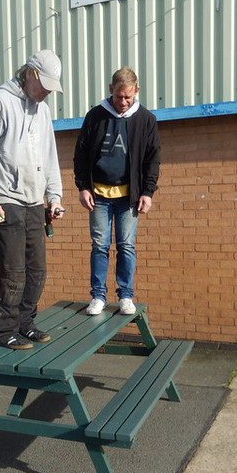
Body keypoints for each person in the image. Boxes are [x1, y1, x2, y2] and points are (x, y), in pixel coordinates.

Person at [0, 49, 65, 349]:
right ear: (30, 74)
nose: (47, 93)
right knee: (13, 272)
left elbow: (49, 156)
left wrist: (54, 196)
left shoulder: (43, 111)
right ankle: (5, 331)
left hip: (35, 201)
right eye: (44, 86)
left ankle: (25, 323)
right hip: (6, 199)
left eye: (52, 88)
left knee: (37, 270)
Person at [73, 67, 160, 316]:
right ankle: (98, 296)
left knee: (126, 245)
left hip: (128, 198)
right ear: (111, 90)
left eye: (128, 97)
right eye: (119, 96)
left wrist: (147, 192)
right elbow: (80, 154)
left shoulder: (146, 120)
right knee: (100, 245)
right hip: (98, 195)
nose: (123, 102)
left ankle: (126, 295)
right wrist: (83, 187)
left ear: (137, 92)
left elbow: (153, 159)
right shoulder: (95, 117)